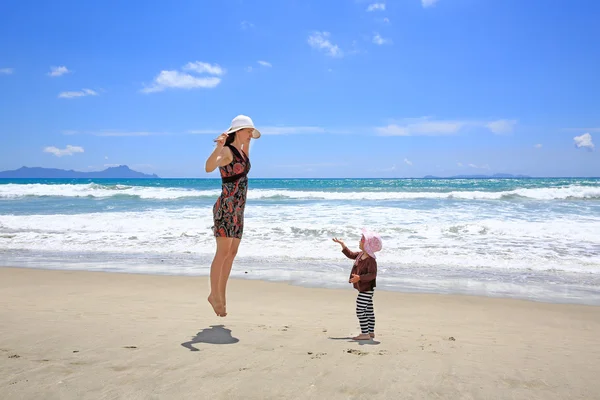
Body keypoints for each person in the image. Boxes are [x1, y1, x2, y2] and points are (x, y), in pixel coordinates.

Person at [204, 115, 261, 317]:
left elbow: (245, 158)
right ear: (238, 132)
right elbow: (209, 167)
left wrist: (247, 142)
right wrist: (219, 146)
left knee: (232, 253)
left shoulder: (243, 152)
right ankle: (214, 294)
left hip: (238, 210)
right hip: (226, 208)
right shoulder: (227, 151)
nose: (250, 136)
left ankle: (221, 294)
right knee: (222, 252)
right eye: (248, 132)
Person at [332, 228, 382, 340]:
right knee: (368, 310)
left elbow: (372, 275)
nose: (359, 242)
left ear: (368, 244)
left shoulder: (371, 260)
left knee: (360, 310)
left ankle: (365, 333)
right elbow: (350, 255)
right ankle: (370, 332)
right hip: (364, 288)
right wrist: (342, 245)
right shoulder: (360, 255)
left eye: (362, 240)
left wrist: (359, 278)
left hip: (367, 289)